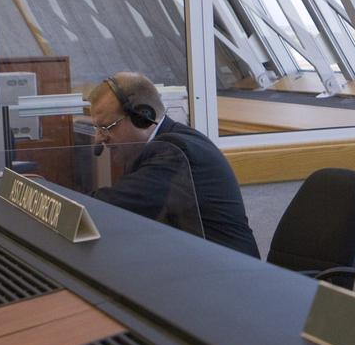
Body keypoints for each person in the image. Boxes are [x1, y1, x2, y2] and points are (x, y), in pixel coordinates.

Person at [88, 72, 259, 258]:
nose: (99, 139)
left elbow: (110, 209)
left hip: (231, 275)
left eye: (107, 127)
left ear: (142, 117)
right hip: (200, 266)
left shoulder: (174, 152)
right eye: (97, 128)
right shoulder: (157, 148)